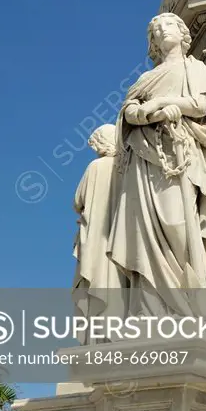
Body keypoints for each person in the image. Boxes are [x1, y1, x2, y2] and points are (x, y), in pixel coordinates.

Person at [107, 13, 206, 315]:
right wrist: (146, 113)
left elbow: (201, 106)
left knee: (179, 223)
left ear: (182, 33)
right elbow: (129, 112)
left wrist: (162, 104)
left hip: (178, 154)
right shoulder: (145, 79)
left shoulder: (194, 69)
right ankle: (151, 307)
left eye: (167, 25)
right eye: (155, 30)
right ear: (153, 43)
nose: (161, 30)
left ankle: (189, 297)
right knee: (143, 231)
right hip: (145, 160)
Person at [72, 124, 127, 332]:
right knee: (116, 279)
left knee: (95, 274)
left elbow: (78, 201)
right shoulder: (125, 167)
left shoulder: (96, 166)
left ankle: (97, 332)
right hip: (119, 235)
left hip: (95, 234)